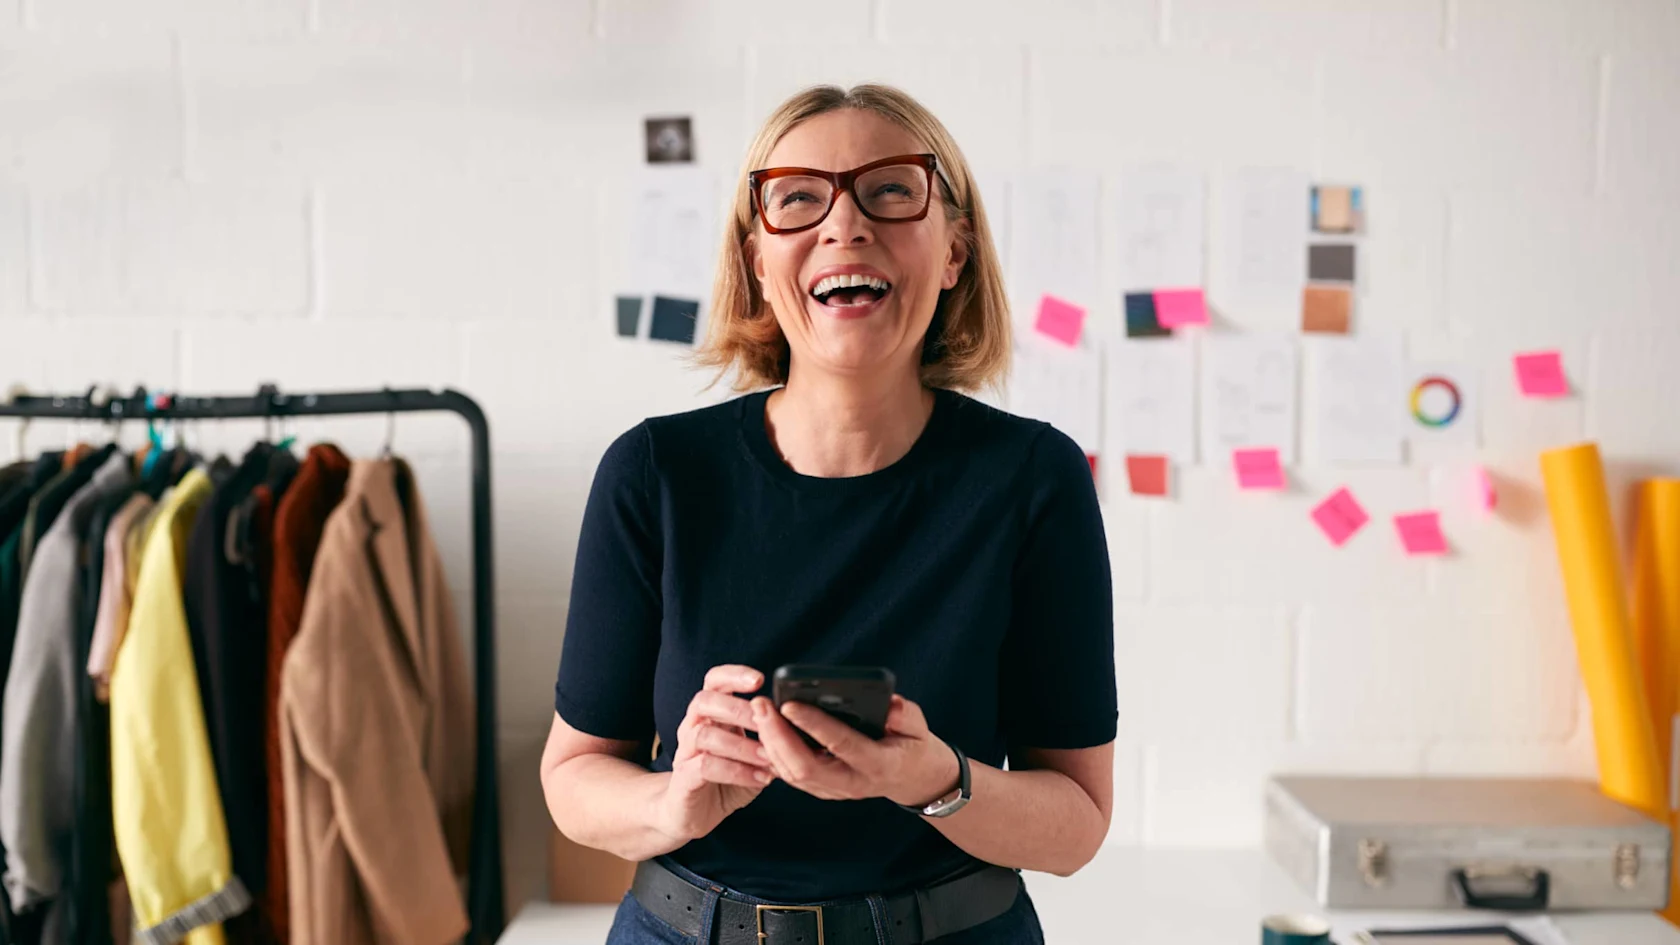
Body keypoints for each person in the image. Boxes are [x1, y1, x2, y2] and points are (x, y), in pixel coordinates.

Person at [540, 83, 1116, 945]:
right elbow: (574, 775)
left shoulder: (1034, 478)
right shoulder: (654, 472)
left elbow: (1076, 824)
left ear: (954, 252)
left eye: (891, 190)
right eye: (800, 198)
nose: (845, 224)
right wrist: (677, 800)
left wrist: (934, 779)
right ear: (757, 262)